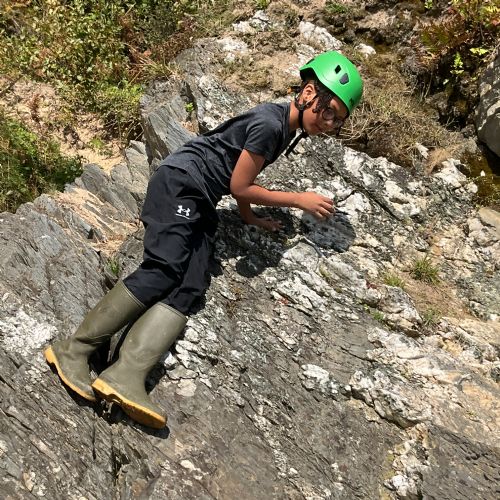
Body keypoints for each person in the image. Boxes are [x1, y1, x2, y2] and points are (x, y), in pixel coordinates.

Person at [44, 51, 363, 429]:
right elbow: (240, 185)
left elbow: (241, 179)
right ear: (309, 93)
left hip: (200, 197)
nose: (329, 123)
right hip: (180, 184)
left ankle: (125, 375)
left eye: (337, 120)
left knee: (191, 283)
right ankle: (74, 350)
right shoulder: (270, 124)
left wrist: (249, 217)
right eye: (330, 112)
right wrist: (298, 200)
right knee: (164, 269)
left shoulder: (284, 129)